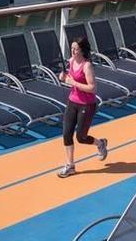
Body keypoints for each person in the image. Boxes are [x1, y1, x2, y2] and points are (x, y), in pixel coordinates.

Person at [57, 36, 108, 178]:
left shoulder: (87, 66)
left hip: (86, 104)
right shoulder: (71, 61)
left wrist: (72, 82)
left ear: (82, 50)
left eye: (76, 49)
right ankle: (70, 166)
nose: (73, 51)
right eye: (72, 48)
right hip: (72, 101)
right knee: (67, 134)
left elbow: (92, 88)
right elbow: (68, 76)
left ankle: (100, 143)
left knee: (81, 137)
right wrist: (63, 76)